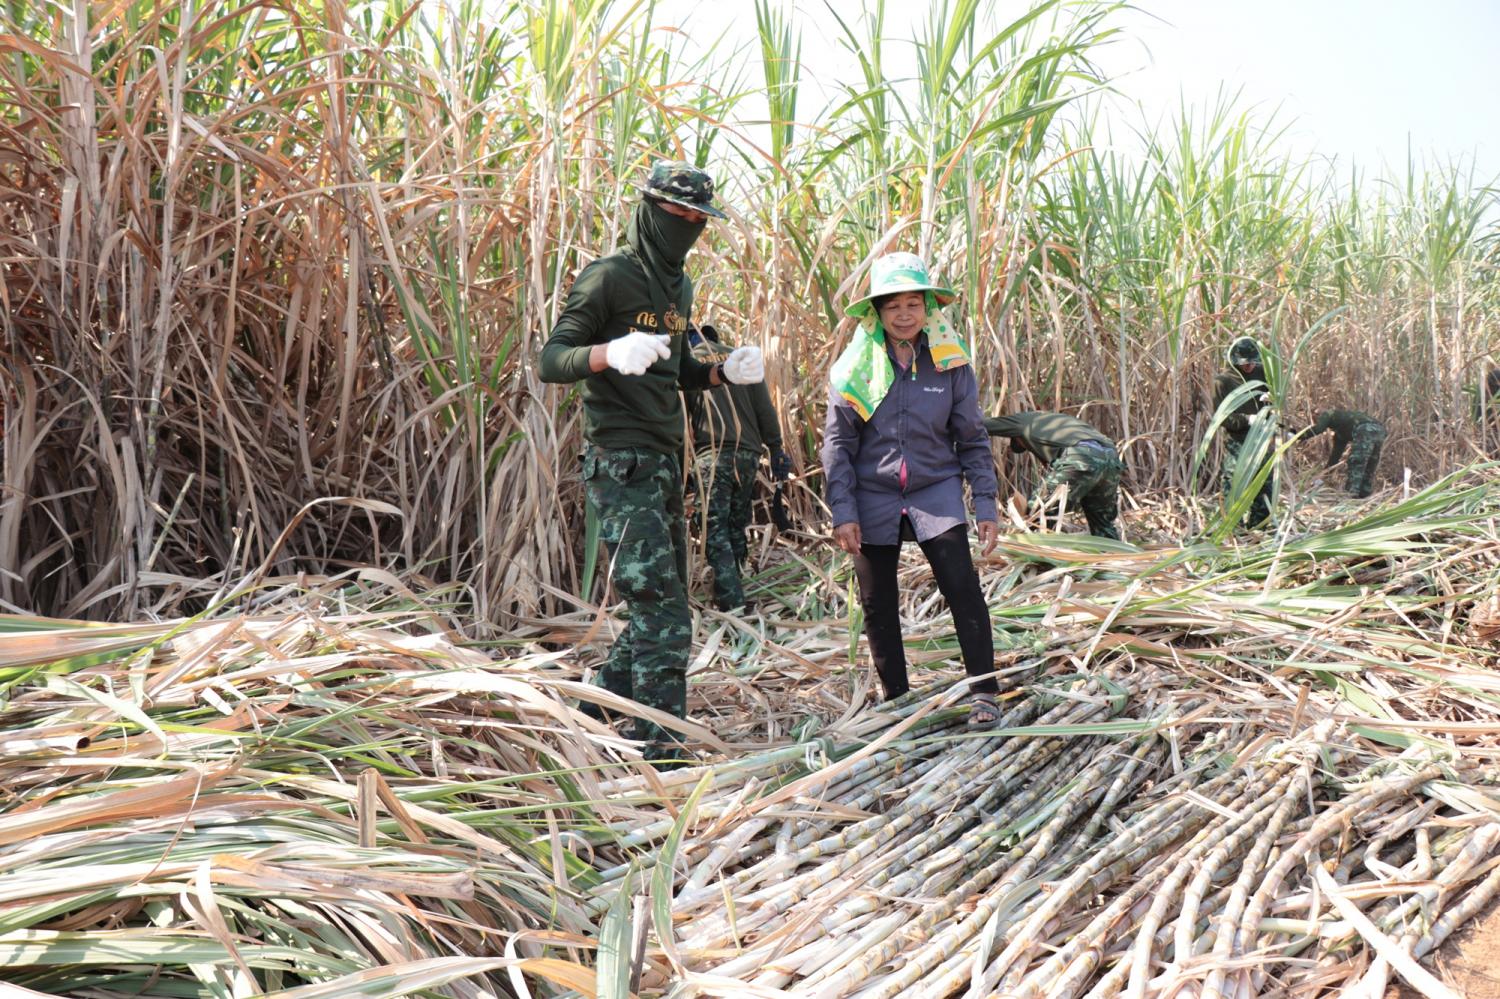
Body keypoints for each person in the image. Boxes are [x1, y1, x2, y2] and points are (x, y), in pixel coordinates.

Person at [539, 161, 764, 754]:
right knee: (665, 614)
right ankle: (662, 752)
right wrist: (607, 353)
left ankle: (591, 705)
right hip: (621, 462)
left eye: (700, 221)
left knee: (655, 609)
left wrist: (721, 372)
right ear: (649, 210)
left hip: (666, 462)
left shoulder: (679, 286)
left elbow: (677, 370)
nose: (689, 228)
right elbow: (551, 358)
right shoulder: (610, 276)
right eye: (679, 216)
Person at [821, 252, 1002, 725]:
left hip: (935, 488)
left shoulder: (950, 364)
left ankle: (984, 692)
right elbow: (838, 445)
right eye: (892, 305)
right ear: (877, 313)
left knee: (962, 586)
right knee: (877, 603)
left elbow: (972, 437)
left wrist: (985, 502)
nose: (904, 315)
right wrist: (843, 510)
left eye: (913, 304)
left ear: (928, 310)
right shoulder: (855, 369)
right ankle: (898, 699)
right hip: (871, 494)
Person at [685, 323, 792, 611]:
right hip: (747, 455)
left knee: (714, 530)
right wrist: (777, 448)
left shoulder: (687, 363)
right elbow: (765, 410)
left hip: (713, 454)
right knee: (735, 525)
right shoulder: (739, 358)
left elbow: (681, 419)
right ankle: (736, 585)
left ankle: (732, 605)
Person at [983, 411, 1124, 539]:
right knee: (1102, 521)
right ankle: (1113, 558)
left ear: (1016, 436)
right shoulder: (1055, 423)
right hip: (1111, 455)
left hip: (1081, 455)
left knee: (1039, 511)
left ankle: (1041, 559)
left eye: (1022, 445)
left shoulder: (1020, 422)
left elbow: (980, 425)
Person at [1212, 336, 1275, 527]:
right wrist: (1248, 420)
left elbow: (1275, 400)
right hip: (1237, 441)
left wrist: (1272, 403)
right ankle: (1231, 527)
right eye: (1244, 363)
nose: (1249, 367)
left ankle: (1260, 525)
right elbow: (1222, 418)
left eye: (1252, 362)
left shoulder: (1263, 373)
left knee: (1264, 481)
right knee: (1234, 482)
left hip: (1262, 438)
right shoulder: (1223, 381)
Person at [1298, 409, 1387, 498]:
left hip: (1365, 429)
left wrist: (1296, 435)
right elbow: (1335, 457)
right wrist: (1324, 476)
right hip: (1381, 430)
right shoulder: (1341, 434)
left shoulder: (1328, 413)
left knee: (1356, 461)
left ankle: (1352, 493)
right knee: (1371, 462)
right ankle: (1364, 493)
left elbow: (1318, 429)